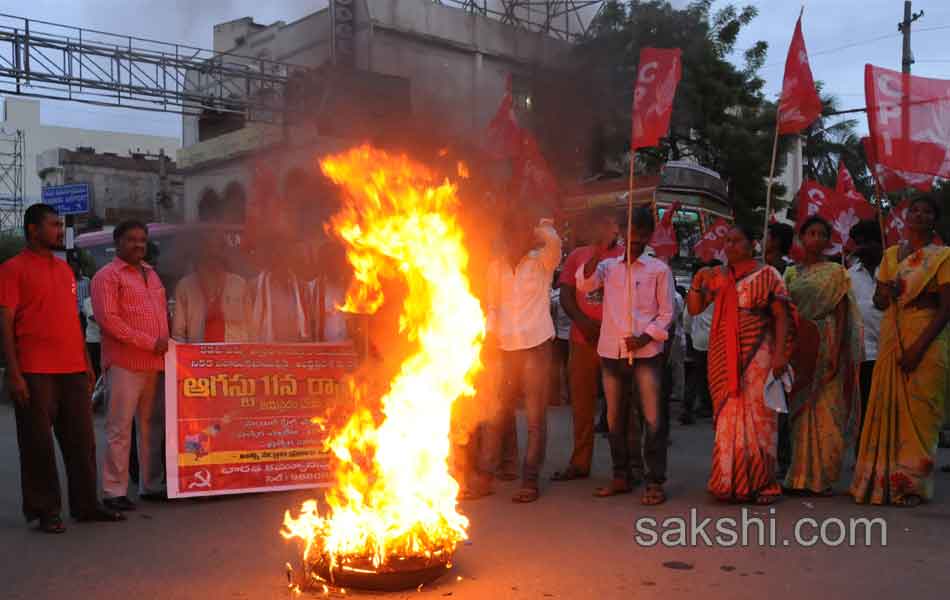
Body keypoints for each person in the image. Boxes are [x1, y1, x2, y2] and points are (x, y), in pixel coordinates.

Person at [0, 204, 124, 532]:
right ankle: (45, 511)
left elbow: (72, 320)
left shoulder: (64, 271)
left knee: (82, 441)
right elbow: (6, 321)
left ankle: (86, 505)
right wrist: (13, 373)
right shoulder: (12, 269)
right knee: (37, 444)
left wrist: (85, 362)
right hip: (34, 370)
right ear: (33, 230)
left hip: (71, 369)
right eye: (54, 225)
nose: (59, 231)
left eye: (60, 225)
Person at [851, 195, 950, 506]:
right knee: (887, 407)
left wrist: (919, 348)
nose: (920, 215)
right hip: (892, 336)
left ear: (934, 220)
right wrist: (887, 290)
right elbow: (880, 304)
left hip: (928, 338)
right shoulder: (891, 254)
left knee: (921, 415)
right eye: (915, 210)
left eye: (927, 211)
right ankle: (881, 479)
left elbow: (947, 307)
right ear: (905, 217)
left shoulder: (942, 256)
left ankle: (911, 485)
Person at [577, 207, 674, 505]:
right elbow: (585, 284)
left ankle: (654, 481)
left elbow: (667, 313)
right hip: (611, 352)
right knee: (614, 419)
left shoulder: (659, 270)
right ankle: (621, 475)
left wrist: (645, 337)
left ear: (647, 235)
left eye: (639, 234)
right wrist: (598, 250)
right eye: (627, 233)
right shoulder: (608, 267)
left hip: (646, 355)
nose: (633, 240)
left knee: (653, 420)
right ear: (620, 233)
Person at [689, 224, 792, 505]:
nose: (730, 246)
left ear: (752, 245)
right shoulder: (718, 276)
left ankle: (762, 483)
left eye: (736, 241)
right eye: (727, 241)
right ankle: (726, 480)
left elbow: (782, 316)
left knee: (759, 419)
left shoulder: (768, 274)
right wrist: (699, 281)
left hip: (758, 353)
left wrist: (781, 354)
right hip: (722, 354)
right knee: (727, 416)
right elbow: (694, 308)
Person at [472, 212, 561, 503]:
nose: (511, 241)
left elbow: (555, 243)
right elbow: (492, 306)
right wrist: (489, 337)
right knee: (496, 415)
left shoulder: (542, 262)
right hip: (504, 348)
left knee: (535, 419)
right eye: (508, 235)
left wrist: (539, 225)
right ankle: (485, 477)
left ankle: (530, 480)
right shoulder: (496, 266)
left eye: (518, 235)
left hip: (536, 345)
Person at [92, 220, 170, 511]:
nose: (138, 244)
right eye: (131, 239)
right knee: (120, 429)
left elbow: (161, 316)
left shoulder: (152, 274)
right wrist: (149, 342)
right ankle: (114, 491)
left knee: (152, 427)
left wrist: (163, 345)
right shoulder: (107, 276)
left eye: (142, 239)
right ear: (118, 243)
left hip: (155, 364)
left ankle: (151, 485)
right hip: (124, 364)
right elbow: (109, 321)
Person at [783, 216, 862, 496]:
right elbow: (786, 315)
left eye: (821, 234)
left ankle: (822, 477)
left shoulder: (835, 272)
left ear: (828, 240)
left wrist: (838, 351)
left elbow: (841, 314)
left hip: (827, 341)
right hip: (800, 346)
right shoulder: (791, 273)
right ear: (801, 238)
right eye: (811, 233)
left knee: (826, 410)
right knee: (801, 414)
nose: (815, 238)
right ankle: (799, 475)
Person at [550, 208, 622, 482]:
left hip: (615, 343)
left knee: (621, 406)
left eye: (613, 223)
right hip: (582, 341)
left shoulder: (626, 257)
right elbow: (567, 294)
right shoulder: (579, 255)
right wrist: (582, 323)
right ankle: (580, 463)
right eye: (605, 223)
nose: (610, 228)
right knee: (582, 406)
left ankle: (625, 468)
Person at [172, 234, 251, 343]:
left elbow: (251, 330)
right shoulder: (185, 287)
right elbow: (178, 335)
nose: (213, 254)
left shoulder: (239, 285)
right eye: (208, 251)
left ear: (224, 254)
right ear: (201, 254)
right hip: (198, 357)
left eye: (217, 250)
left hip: (234, 356)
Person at [848, 220, 884, 435]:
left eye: (866, 243)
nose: (861, 248)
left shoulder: (896, 269)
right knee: (865, 411)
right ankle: (864, 458)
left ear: (879, 243)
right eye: (858, 243)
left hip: (893, 353)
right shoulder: (849, 275)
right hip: (864, 354)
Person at [251, 239, 311, 343]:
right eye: (277, 255)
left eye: (285, 255)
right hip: (267, 349)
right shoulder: (255, 286)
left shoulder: (301, 286)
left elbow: (308, 321)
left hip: (296, 347)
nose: (281, 259)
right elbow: (251, 325)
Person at [681, 260, 719, 424]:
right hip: (716, 340)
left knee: (696, 375)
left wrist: (689, 334)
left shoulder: (696, 293)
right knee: (713, 376)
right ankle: (709, 407)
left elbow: (687, 317)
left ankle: (689, 407)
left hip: (699, 340)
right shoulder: (719, 293)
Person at [548, 274, 571, 406]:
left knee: (555, 369)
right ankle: (571, 397)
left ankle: (555, 398)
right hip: (569, 337)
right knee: (569, 369)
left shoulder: (554, 296)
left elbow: (551, 315)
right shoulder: (571, 294)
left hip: (557, 337)